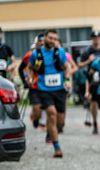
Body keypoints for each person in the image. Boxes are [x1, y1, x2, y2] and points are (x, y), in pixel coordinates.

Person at [28, 29, 76, 158]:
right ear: (44, 38)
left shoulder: (60, 52)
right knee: (52, 115)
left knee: (60, 120)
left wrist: (66, 79)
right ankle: (57, 147)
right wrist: (29, 78)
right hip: (44, 89)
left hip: (59, 89)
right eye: (50, 38)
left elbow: (67, 67)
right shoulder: (36, 54)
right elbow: (29, 67)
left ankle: (51, 131)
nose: (53, 41)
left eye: (55, 39)